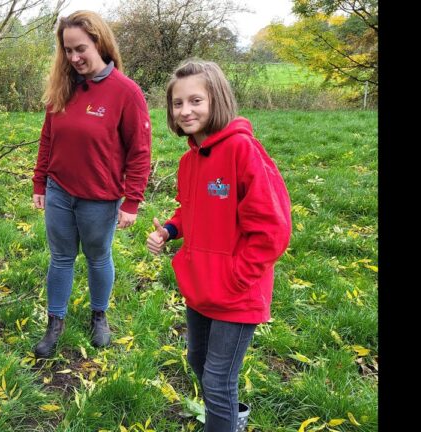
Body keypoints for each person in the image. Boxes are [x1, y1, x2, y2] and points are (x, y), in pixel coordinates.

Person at [146, 59, 291, 431]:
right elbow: (192, 210)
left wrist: (236, 277)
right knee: (197, 360)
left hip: (236, 292)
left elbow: (272, 229)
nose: (185, 111)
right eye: (178, 103)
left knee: (217, 379)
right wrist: (170, 230)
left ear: (217, 100)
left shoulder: (243, 151)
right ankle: (228, 416)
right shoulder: (190, 160)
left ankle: (225, 421)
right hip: (201, 286)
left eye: (196, 100)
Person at [31, 10, 152, 359]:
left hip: (100, 198)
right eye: (67, 50)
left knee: (98, 257)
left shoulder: (126, 93)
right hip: (59, 192)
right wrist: (40, 182)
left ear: (99, 41)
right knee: (61, 258)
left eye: (80, 48)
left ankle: (99, 315)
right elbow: (47, 139)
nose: (74, 58)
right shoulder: (63, 88)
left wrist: (132, 202)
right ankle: (55, 322)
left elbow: (140, 152)